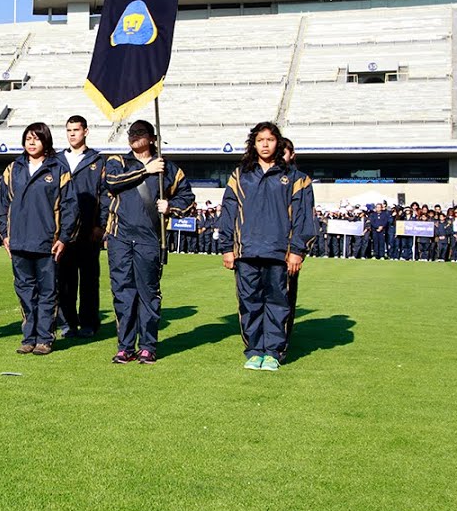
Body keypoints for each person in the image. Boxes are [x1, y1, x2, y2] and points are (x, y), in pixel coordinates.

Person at [216, 122, 316, 372]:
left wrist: (297, 250)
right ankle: (254, 350)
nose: (265, 144)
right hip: (246, 251)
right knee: (249, 302)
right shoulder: (240, 175)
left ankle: (272, 351)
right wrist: (227, 247)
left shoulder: (296, 178)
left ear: (278, 143)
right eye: (260, 140)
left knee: (277, 303)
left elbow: (304, 217)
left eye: (270, 140)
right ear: (253, 143)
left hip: (279, 253)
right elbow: (229, 212)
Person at [101, 119, 196, 365]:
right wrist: (146, 171)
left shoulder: (169, 169)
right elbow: (112, 181)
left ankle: (148, 346)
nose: (135, 136)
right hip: (120, 236)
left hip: (150, 239)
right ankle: (125, 346)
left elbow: (188, 198)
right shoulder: (118, 161)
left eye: (141, 133)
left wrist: (171, 206)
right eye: (131, 133)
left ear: (153, 138)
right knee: (123, 293)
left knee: (148, 294)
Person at [0, 122, 79, 355]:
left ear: (46, 142)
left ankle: (45, 338)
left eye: (36, 138)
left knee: (48, 293)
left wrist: (63, 238)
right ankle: (28, 337)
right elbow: (0, 206)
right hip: (19, 242)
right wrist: (5, 235)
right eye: (28, 138)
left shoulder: (58, 169)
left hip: (47, 244)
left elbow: (71, 207)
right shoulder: (13, 169)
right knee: (25, 293)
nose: (31, 142)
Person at [52, 115, 107, 339]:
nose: (72, 134)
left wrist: (100, 225)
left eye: (76, 129)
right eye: (69, 130)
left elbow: (105, 195)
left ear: (86, 131)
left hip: (88, 232)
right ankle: (67, 323)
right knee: (63, 281)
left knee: (88, 280)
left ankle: (89, 323)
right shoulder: (55, 160)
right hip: (63, 233)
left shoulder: (98, 161)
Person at [279, 137, 312, 355]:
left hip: (287, 250)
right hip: (261, 249)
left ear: (292, 155)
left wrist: (297, 250)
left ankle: (280, 342)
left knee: (284, 298)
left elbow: (304, 218)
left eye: (284, 152)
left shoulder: (300, 180)